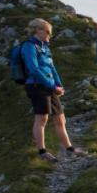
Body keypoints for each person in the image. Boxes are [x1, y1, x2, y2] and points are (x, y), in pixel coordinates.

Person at [20, 18, 81, 162]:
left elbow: (52, 68)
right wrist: (52, 86)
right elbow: (33, 69)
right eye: (47, 32)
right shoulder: (29, 47)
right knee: (42, 118)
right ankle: (42, 152)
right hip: (36, 86)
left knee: (60, 118)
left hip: (49, 87)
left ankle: (69, 149)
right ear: (38, 30)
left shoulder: (45, 47)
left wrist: (58, 85)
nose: (49, 35)